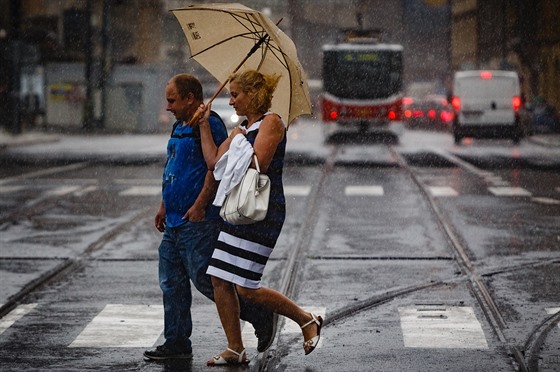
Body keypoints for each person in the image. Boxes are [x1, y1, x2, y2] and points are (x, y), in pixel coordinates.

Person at [143, 73, 276, 362]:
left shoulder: (212, 123)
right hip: (175, 220)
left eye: (172, 100)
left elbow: (214, 167)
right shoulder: (179, 126)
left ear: (190, 98)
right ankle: (176, 341)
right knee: (171, 283)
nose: (168, 107)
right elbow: (173, 166)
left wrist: (201, 204)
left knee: (206, 280)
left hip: (197, 220)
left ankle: (258, 315)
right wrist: (164, 205)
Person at [194, 70, 323, 366]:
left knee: (246, 286)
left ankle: (306, 320)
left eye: (236, 94)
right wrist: (203, 125)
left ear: (253, 94)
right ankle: (235, 347)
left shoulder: (272, 122)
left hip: (261, 211)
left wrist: (239, 140)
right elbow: (215, 163)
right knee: (218, 278)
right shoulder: (241, 127)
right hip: (237, 210)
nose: (231, 101)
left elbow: (259, 165)